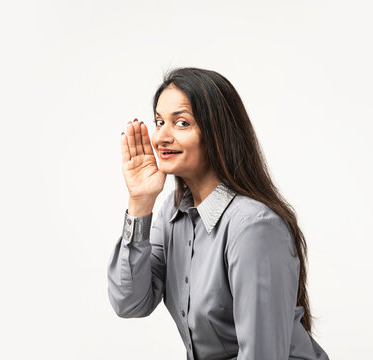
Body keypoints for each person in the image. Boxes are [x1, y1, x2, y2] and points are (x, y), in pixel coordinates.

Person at [107, 67, 329, 360]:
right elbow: (129, 302)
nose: (161, 136)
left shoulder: (253, 227)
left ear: (217, 132)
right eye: (159, 121)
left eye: (182, 123)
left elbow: (261, 355)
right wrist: (140, 201)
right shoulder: (171, 214)